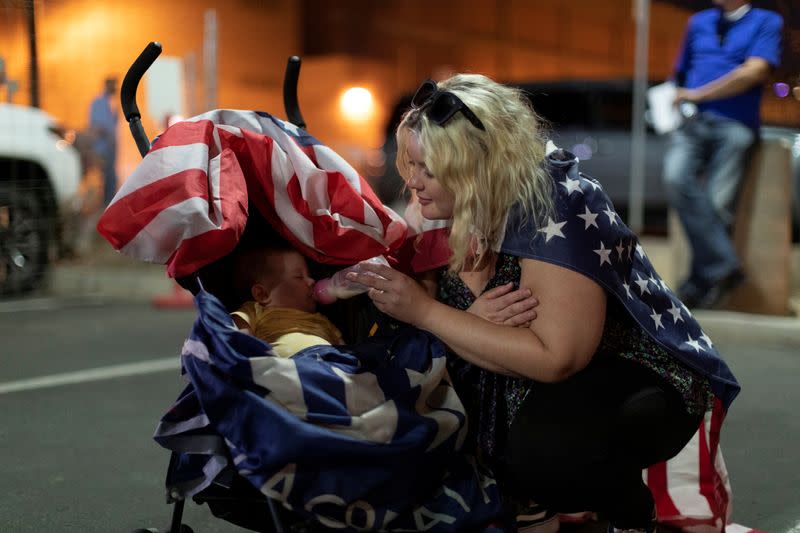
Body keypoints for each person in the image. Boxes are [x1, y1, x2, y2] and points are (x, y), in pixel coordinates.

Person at [347, 74, 740, 533]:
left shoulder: (555, 204)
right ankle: (530, 501)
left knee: (545, 451)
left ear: (476, 166)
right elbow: (452, 341)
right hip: (533, 373)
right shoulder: (440, 210)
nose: (411, 181)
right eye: (408, 163)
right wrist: (461, 323)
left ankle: (630, 516)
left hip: (630, 371)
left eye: (429, 169)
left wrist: (429, 313)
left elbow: (556, 358)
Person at [663, 0, 783, 309]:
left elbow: (754, 72)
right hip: (693, 122)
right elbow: (680, 73)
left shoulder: (766, 21)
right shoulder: (698, 22)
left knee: (718, 205)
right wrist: (675, 98)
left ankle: (698, 286)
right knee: (675, 177)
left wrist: (698, 93)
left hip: (736, 124)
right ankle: (724, 268)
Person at [230, 242, 344, 358]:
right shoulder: (256, 311)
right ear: (262, 294)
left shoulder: (323, 321)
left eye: (308, 275)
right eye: (299, 277)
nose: (312, 281)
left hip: (330, 364)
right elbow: (239, 337)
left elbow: (345, 352)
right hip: (288, 366)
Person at [89, 77, 119, 206]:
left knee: (111, 176)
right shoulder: (98, 102)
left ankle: (110, 203)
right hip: (102, 147)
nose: (115, 88)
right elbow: (96, 124)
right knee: (105, 176)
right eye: (113, 85)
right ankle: (105, 204)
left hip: (111, 147)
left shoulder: (112, 103)